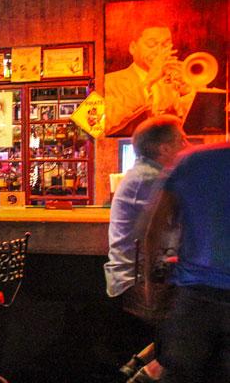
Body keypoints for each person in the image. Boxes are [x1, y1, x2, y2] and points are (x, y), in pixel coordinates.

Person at [103, 116, 188, 382]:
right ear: (165, 148)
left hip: (147, 275)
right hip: (140, 282)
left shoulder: (148, 175)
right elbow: (183, 226)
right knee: (211, 306)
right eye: (183, 139)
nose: (187, 145)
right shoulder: (151, 179)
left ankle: (145, 361)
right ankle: (152, 367)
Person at [143, 142, 229, 383]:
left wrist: (149, 280)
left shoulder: (191, 160)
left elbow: (155, 228)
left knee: (180, 373)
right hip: (196, 294)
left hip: (195, 296)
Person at [105, 26, 195, 135]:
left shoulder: (175, 80)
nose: (159, 51)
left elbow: (191, 127)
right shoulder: (109, 81)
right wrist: (148, 82)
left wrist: (187, 93)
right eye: (151, 44)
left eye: (166, 45)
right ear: (133, 48)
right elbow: (96, 124)